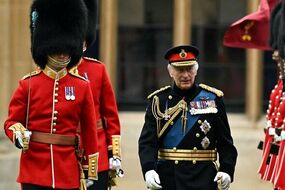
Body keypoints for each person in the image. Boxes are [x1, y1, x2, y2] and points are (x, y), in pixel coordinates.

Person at [3, 0, 99, 189]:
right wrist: (18, 133)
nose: (63, 55)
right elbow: (11, 121)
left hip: (68, 169)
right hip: (34, 169)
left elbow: (89, 130)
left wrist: (90, 167)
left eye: (66, 50)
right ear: (46, 49)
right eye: (57, 50)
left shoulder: (81, 86)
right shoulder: (28, 84)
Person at [138, 45, 238, 190]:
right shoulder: (158, 101)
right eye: (180, 70)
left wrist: (226, 170)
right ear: (171, 72)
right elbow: (147, 142)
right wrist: (149, 170)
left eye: (189, 69)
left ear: (196, 71)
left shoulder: (212, 98)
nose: (185, 75)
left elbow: (226, 143)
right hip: (168, 178)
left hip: (203, 177)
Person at [76, 0, 122, 189]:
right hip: (65, 152)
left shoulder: (97, 70)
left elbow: (109, 115)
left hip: (98, 152)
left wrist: (115, 154)